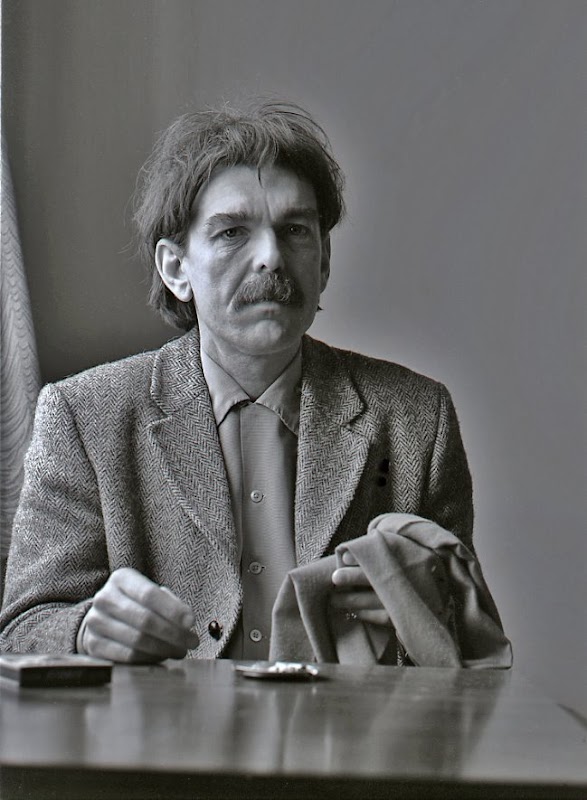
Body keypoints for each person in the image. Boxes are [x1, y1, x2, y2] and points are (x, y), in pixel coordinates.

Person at [0, 100, 475, 664]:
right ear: (176, 269)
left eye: (295, 230)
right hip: (163, 724)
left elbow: (467, 644)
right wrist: (83, 630)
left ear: (323, 261)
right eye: (231, 232)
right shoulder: (83, 416)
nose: (272, 256)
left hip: (351, 724)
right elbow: (21, 631)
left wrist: (421, 611)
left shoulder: (419, 418)